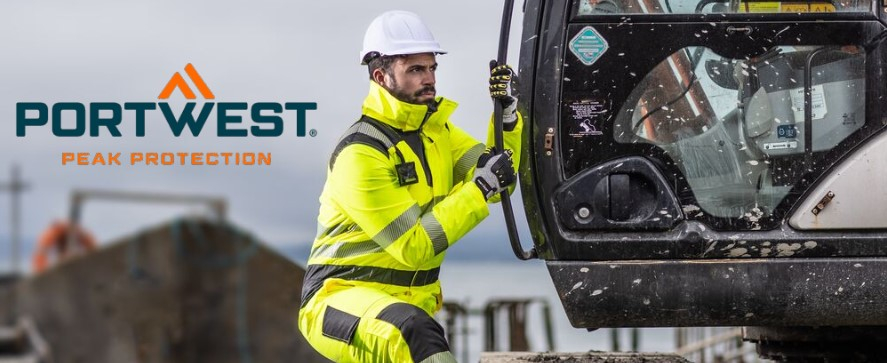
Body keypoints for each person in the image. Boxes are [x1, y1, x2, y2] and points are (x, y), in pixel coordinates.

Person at [298, 10, 523, 363]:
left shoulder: (438, 134)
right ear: (381, 76)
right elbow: (414, 246)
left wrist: (508, 116)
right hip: (338, 298)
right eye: (416, 70)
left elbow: (498, 178)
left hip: (405, 301)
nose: (429, 79)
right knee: (412, 334)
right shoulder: (361, 153)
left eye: (432, 68)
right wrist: (480, 187)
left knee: (414, 329)